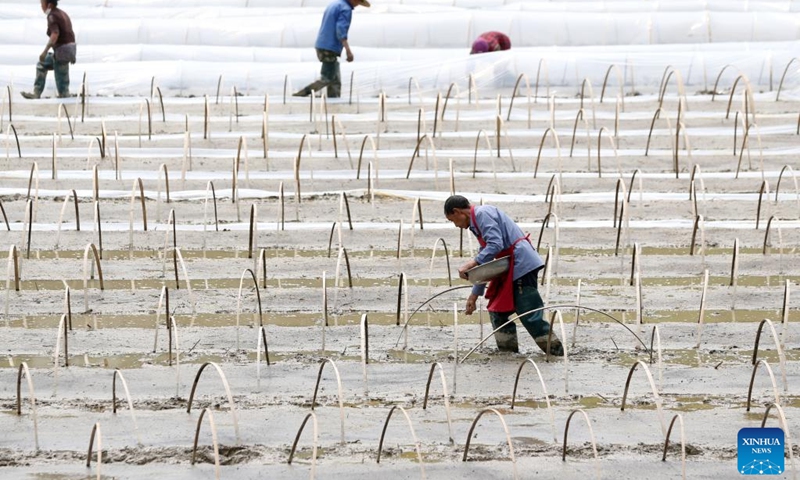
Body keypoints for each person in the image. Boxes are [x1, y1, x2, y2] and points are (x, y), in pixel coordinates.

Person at [444, 195, 563, 356]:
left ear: (457, 211)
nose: (456, 225)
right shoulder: (476, 224)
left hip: (521, 263)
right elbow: (486, 257)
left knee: (529, 312)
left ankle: (556, 352)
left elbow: (495, 244)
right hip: (510, 265)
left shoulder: (482, 214)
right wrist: (474, 295)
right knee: (498, 311)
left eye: (453, 220)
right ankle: (508, 354)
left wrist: (470, 264)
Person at [293, 0, 370, 98]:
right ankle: (303, 93)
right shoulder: (346, 9)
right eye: (358, 2)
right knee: (327, 78)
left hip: (322, 45)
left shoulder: (335, 5)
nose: (357, 4)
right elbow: (341, 29)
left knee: (335, 79)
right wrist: (348, 50)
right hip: (329, 47)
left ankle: (334, 101)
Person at [21, 0, 76, 99]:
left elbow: (55, 34)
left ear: (49, 4)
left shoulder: (52, 16)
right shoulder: (63, 13)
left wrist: (45, 51)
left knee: (62, 85)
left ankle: (65, 98)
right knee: (42, 64)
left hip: (62, 51)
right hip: (69, 49)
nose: (41, 6)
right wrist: (72, 54)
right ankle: (36, 92)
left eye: (42, 3)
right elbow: (70, 33)